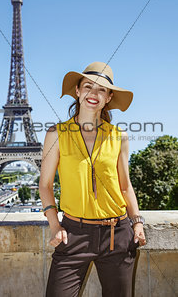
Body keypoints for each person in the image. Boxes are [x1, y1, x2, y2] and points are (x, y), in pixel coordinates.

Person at [39, 61, 146, 297]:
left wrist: (136, 222)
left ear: (108, 98)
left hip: (117, 235)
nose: (93, 94)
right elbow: (45, 185)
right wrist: (55, 225)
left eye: (101, 89)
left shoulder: (119, 137)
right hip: (73, 234)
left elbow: (125, 186)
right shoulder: (56, 134)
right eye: (88, 86)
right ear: (77, 91)